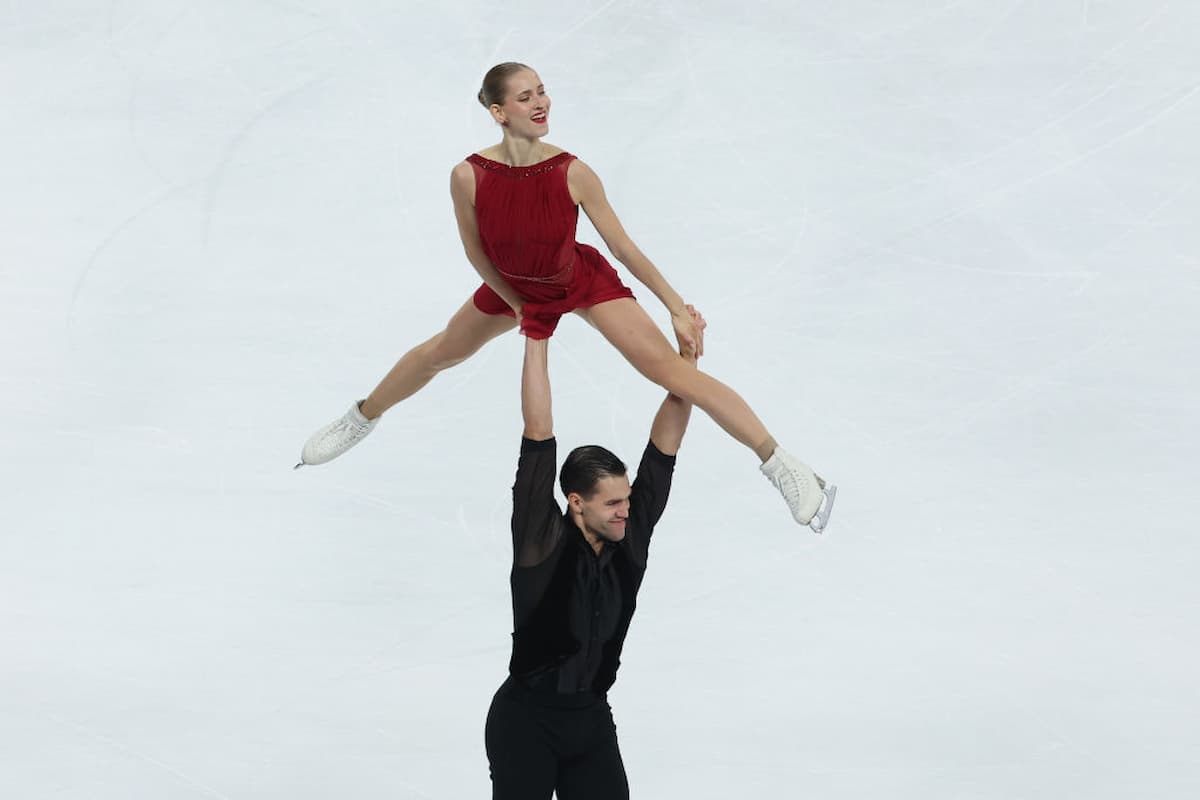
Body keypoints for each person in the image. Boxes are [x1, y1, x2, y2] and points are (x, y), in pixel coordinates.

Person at [296, 61, 835, 532]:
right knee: (441, 352)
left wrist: (673, 305)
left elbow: (621, 246)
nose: (541, 101)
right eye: (525, 95)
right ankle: (361, 417)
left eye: (542, 90)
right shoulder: (468, 176)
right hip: (515, 289)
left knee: (671, 373)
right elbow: (476, 253)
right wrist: (516, 303)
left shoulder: (573, 171)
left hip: (580, 280)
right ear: (498, 111)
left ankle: (782, 463)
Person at [485, 326, 694, 799]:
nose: (626, 509)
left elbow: (664, 449)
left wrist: (686, 366)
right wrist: (536, 333)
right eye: (612, 503)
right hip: (525, 723)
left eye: (627, 498)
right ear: (576, 503)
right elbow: (538, 434)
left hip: (591, 720)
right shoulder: (541, 541)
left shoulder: (630, 535)